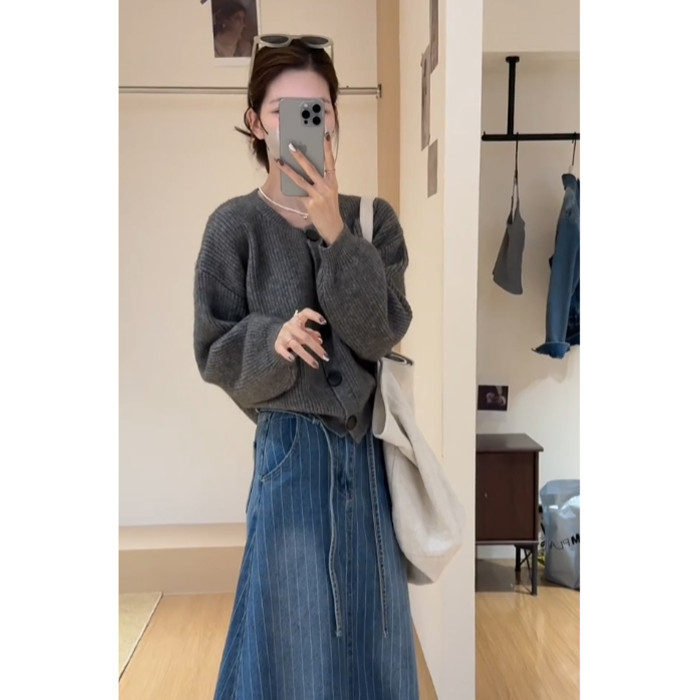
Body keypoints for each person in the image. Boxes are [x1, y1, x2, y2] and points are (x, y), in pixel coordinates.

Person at [193, 37, 419, 700]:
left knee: (378, 645)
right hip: (290, 456)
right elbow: (213, 351)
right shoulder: (233, 228)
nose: (301, 123)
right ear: (256, 122)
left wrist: (336, 235)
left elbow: (379, 333)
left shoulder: (373, 221)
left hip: (367, 459)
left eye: (315, 109)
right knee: (292, 651)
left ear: (334, 116)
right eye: (283, 110)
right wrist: (273, 340)